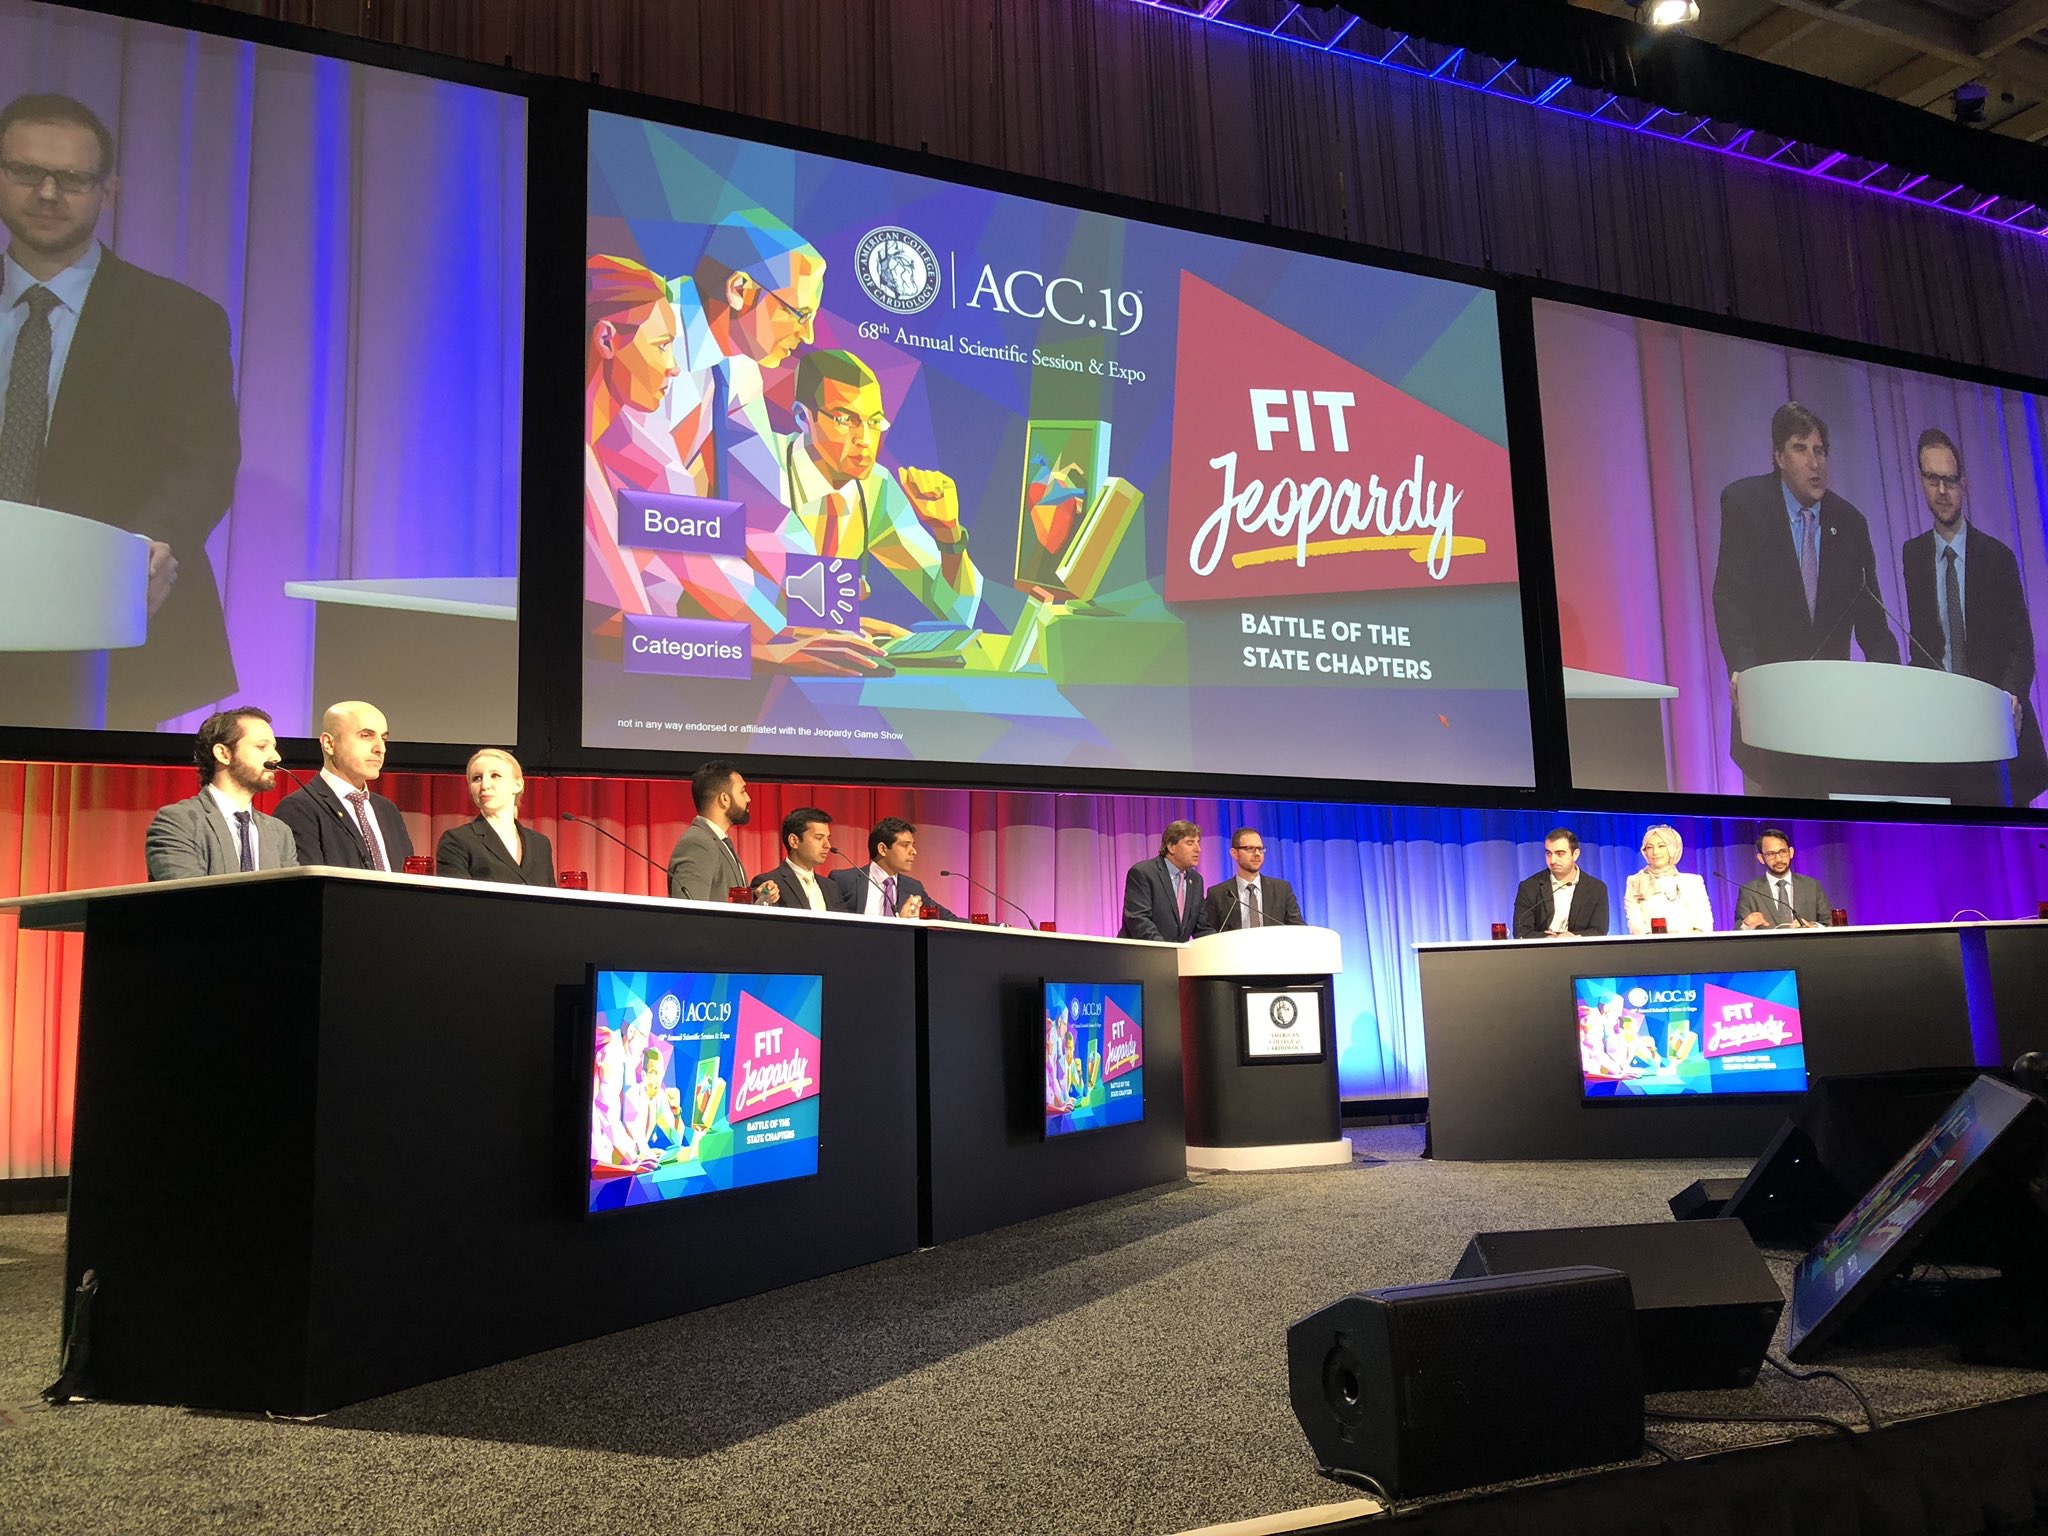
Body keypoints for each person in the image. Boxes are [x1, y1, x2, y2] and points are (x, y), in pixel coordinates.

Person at [0, 93, 240, 728]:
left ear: (109, 191)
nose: (47, 193)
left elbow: (205, 462)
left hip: (107, 627)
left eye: (73, 178)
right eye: (26, 171)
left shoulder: (178, 319)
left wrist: (139, 551)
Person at [1712, 402, 1898, 789]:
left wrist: (1894, 686)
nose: (1815, 463)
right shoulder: (1746, 505)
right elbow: (1731, 598)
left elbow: (1873, 622)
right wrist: (1745, 673)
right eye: (1800, 448)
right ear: (1779, 456)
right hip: (1769, 712)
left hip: (1830, 721)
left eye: (1820, 450)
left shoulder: (1850, 524)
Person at [773, 348, 981, 631]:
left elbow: (956, 612)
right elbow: (737, 592)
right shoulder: (761, 463)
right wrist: (840, 627)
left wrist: (948, 533)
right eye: (846, 420)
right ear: (803, 417)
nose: (866, 440)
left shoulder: (875, 487)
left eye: (874, 422)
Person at [1900, 428, 2048, 806]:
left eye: (1950, 480)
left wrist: (2009, 700)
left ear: (1964, 484)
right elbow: (1923, 646)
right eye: (1933, 479)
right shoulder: (1913, 556)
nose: (1942, 491)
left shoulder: (1997, 557)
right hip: (1943, 732)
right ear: (1921, 481)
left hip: (1996, 727)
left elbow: (2021, 646)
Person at [143, 706, 297, 879]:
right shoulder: (178, 822)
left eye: (274, 747)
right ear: (223, 754)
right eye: (262, 746)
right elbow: (188, 892)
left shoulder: (279, 833)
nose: (276, 757)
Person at [274, 700, 414, 871]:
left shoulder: (387, 810)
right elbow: (311, 882)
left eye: (383, 738)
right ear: (329, 744)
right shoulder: (299, 808)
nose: (380, 748)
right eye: (366, 736)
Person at [434, 747, 556, 886]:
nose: (485, 785)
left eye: (495, 775)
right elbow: (455, 897)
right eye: (477, 778)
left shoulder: (540, 844)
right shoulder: (456, 840)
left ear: (518, 784)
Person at [668, 759, 777, 904]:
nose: (748, 798)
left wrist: (758, 897)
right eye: (742, 791)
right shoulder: (698, 843)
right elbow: (689, 910)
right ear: (724, 799)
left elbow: (728, 901)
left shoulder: (717, 841)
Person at [828, 815, 952, 919]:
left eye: (913, 845)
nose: (914, 852)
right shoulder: (843, 881)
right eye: (905, 845)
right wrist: (901, 923)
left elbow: (947, 918)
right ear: (882, 849)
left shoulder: (913, 888)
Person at [1196, 828, 1305, 933]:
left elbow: (1298, 928)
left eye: (1260, 848)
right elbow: (1208, 934)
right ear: (1234, 853)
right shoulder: (1217, 894)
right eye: (1250, 848)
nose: (1257, 853)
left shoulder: (1282, 889)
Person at [1512, 828, 1611, 938]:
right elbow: (1521, 931)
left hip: (1580, 947)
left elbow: (1599, 931)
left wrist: (1571, 938)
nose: (1553, 860)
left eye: (1560, 854)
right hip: (1543, 947)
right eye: (1548, 854)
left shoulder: (1597, 889)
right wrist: (1552, 939)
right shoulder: (1529, 887)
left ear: (1575, 854)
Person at [752, 805, 851, 912]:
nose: (827, 845)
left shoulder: (831, 887)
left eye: (828, 839)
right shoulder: (769, 883)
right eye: (819, 838)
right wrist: (763, 897)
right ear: (794, 841)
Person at [1121, 820, 1204, 943]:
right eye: (1190, 843)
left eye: (1198, 842)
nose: (1198, 849)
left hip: (1177, 954)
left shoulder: (1196, 880)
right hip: (1143, 952)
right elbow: (1138, 919)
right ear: (1171, 847)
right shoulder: (1143, 873)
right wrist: (1165, 949)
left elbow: (1202, 926)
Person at [1623, 824, 1714, 935]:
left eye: (1661, 846)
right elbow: (1635, 921)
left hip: (1690, 943)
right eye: (1649, 847)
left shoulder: (1693, 881)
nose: (1655, 852)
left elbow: (1704, 920)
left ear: (1673, 849)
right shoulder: (1635, 881)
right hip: (1651, 944)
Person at [1734, 826, 1832, 928]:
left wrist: (1812, 926)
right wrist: (1746, 925)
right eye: (1771, 854)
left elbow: (1828, 923)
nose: (1779, 859)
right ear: (1761, 858)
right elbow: (1738, 931)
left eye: (1783, 852)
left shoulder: (1812, 886)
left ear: (1791, 852)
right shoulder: (1749, 891)